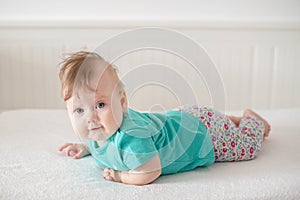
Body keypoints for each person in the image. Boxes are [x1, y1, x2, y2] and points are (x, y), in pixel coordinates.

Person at [58, 51, 271, 186]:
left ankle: (252, 121)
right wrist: (85, 148)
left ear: (122, 103)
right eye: (79, 111)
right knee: (218, 120)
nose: (90, 118)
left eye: (100, 105)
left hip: (203, 134)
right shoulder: (98, 131)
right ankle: (230, 120)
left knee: (247, 148)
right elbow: (97, 143)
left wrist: (119, 176)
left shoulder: (133, 139)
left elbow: (150, 171)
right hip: (184, 117)